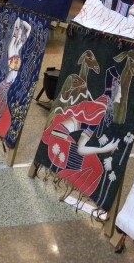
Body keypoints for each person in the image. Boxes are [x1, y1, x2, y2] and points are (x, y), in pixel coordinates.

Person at [41, 67, 122, 197]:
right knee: (96, 167)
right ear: (114, 91)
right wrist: (104, 149)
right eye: (120, 92)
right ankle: (68, 188)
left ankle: (65, 185)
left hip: (59, 138)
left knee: (94, 165)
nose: (121, 96)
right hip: (59, 143)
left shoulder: (100, 107)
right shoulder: (100, 110)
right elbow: (80, 149)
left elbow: (81, 142)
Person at [0, 17, 31, 136]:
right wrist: (17, 27)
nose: (20, 34)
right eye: (17, 31)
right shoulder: (11, 48)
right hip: (6, 85)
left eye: (20, 32)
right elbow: (14, 38)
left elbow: (29, 29)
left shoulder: (18, 48)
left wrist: (22, 23)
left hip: (9, 85)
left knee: (1, 108)